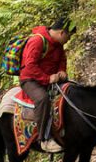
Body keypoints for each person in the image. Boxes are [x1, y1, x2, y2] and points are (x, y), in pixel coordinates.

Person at [19, 19, 72, 153]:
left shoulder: (58, 45)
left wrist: (61, 71)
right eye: (68, 35)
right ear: (62, 33)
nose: (69, 39)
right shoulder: (37, 41)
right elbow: (30, 66)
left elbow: (62, 60)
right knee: (42, 99)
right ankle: (44, 139)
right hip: (30, 80)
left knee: (71, 91)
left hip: (51, 79)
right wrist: (47, 78)